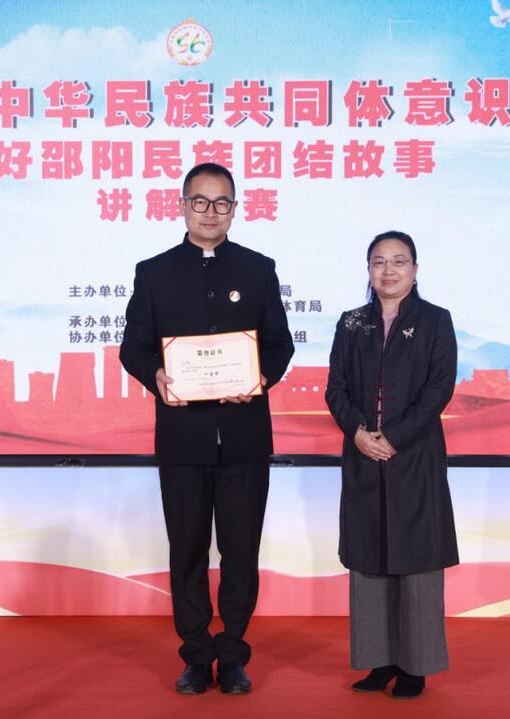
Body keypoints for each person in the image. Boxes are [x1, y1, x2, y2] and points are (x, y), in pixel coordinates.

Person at [119, 162, 294, 695]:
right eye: (200, 201)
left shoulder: (258, 269)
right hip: (182, 438)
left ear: (235, 209)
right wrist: (156, 376)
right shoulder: (154, 272)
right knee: (188, 551)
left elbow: (280, 343)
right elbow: (133, 347)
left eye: (221, 203)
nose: (210, 212)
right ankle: (196, 654)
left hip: (244, 437)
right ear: (182, 205)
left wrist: (260, 377)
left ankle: (233, 653)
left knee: (241, 552)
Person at [325, 230, 459, 700]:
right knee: (369, 558)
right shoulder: (351, 323)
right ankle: (379, 662)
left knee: (417, 560)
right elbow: (335, 388)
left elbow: (439, 389)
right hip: (363, 455)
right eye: (379, 261)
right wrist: (359, 433)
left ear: (415, 270)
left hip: (415, 456)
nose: (389, 270)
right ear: (368, 270)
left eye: (399, 261)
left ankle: (415, 668)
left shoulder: (436, 320)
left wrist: (395, 438)